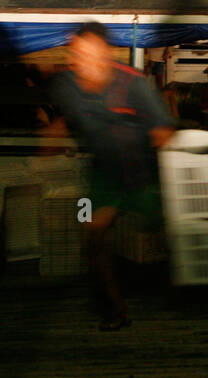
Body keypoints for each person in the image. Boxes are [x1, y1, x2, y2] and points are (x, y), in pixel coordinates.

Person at [46, 22, 175, 330]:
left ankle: (181, 284)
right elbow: (66, 119)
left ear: (105, 53)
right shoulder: (66, 84)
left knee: (164, 233)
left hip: (141, 172)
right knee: (92, 231)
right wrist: (53, 134)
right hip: (103, 174)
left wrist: (160, 141)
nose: (81, 62)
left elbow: (164, 129)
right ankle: (114, 308)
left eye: (88, 54)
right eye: (77, 54)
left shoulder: (133, 83)